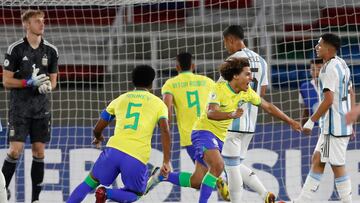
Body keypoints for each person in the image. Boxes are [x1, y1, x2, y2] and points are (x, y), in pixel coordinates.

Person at [147, 57, 302, 203]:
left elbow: (268, 107)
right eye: (247, 74)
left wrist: (290, 121)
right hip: (203, 132)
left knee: (197, 181)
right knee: (218, 166)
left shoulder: (246, 92)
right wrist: (231, 114)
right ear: (235, 76)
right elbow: (211, 113)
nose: (251, 78)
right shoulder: (219, 89)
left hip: (219, 137)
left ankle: (162, 176)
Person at [67, 65, 172, 203]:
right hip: (136, 156)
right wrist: (166, 160)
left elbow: (97, 128)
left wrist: (98, 138)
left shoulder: (120, 99)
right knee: (136, 194)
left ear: (132, 81)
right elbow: (165, 130)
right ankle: (106, 194)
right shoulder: (159, 104)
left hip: (113, 151)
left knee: (88, 183)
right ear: (152, 83)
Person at [2, 9, 57, 202]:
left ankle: (35, 199)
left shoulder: (51, 51)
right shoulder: (15, 49)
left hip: (41, 110)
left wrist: (46, 87)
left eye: (42, 21)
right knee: (15, 150)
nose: (42, 24)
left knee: (39, 152)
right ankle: (2, 190)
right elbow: (6, 82)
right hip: (19, 110)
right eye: (37, 21)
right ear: (27, 25)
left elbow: (54, 81)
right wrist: (28, 83)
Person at [160, 52, 229, 200]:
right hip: (211, 132)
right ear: (193, 66)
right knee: (206, 175)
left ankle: (163, 176)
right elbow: (219, 105)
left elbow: (167, 113)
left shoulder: (170, 84)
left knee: (200, 179)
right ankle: (219, 180)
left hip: (190, 136)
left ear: (177, 67)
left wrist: (166, 130)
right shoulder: (208, 81)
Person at [297, 33, 355, 203]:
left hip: (334, 127)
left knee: (337, 166)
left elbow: (328, 100)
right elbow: (351, 93)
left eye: (319, 45)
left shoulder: (327, 69)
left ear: (330, 48)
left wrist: (310, 121)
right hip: (338, 125)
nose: (316, 47)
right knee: (318, 160)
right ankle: (302, 200)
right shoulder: (342, 64)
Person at [220, 25, 275, 203]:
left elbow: (222, 90)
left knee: (231, 167)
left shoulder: (233, 61)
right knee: (234, 163)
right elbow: (262, 93)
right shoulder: (262, 61)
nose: (225, 46)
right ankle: (264, 194)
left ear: (230, 40)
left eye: (225, 42)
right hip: (250, 122)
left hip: (233, 120)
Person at [299, 59, 323, 125]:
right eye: (313, 69)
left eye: (319, 69)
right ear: (310, 71)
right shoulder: (304, 88)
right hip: (314, 128)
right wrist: (302, 125)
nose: (316, 72)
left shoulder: (334, 86)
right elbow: (306, 110)